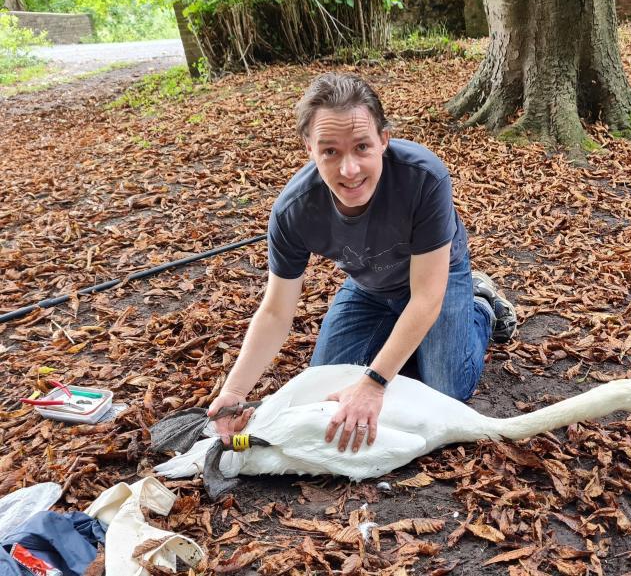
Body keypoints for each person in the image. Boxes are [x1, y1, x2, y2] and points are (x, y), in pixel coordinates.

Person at [207, 73, 516, 454]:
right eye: (331, 152)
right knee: (325, 388)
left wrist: (373, 384)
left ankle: (481, 305)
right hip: (370, 284)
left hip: (436, 277)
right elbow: (275, 312)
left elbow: (425, 297)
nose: (349, 169)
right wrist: (234, 392)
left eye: (362, 147)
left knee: (445, 389)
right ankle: (396, 334)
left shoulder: (424, 177)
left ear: (384, 139)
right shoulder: (294, 210)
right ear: (310, 148)